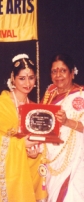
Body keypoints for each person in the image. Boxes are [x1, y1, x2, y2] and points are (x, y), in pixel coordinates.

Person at [0, 54, 47, 202]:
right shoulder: (1, 104)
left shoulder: (34, 107)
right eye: (22, 78)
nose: (28, 83)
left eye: (31, 77)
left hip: (27, 166)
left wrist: (34, 152)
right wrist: (20, 144)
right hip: (5, 169)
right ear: (13, 79)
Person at [41, 53, 84, 202]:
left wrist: (67, 122)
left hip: (75, 161)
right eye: (54, 71)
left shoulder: (81, 95)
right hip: (51, 159)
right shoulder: (49, 95)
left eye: (63, 70)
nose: (58, 75)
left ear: (72, 73)